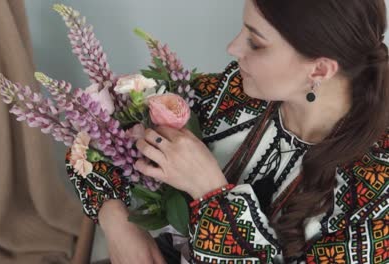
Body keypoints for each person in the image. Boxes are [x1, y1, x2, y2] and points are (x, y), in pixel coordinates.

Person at [65, 0, 389, 263]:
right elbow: (95, 140)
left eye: (256, 42)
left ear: (319, 69)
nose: (233, 48)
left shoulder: (377, 190)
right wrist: (117, 221)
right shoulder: (234, 93)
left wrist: (210, 191)